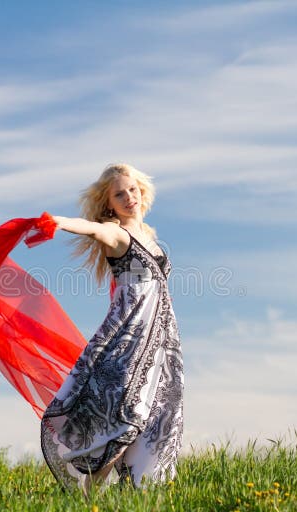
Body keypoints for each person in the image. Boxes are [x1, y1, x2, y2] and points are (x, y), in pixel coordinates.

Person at [40, 163, 184, 494]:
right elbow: (90, 229)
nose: (129, 196)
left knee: (156, 412)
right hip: (130, 335)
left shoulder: (150, 235)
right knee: (128, 414)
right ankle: (88, 493)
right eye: (120, 193)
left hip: (161, 337)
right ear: (110, 204)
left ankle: (133, 492)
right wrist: (58, 222)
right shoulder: (117, 234)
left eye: (132, 189)